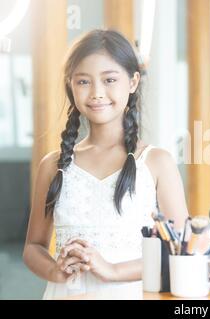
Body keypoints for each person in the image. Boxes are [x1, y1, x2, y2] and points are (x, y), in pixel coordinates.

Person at [23, 29, 189, 299]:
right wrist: (55, 271)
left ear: (133, 81)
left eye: (110, 79)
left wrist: (111, 269)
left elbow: (181, 251)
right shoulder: (53, 165)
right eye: (84, 82)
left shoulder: (157, 163)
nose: (97, 93)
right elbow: (33, 246)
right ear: (70, 85)